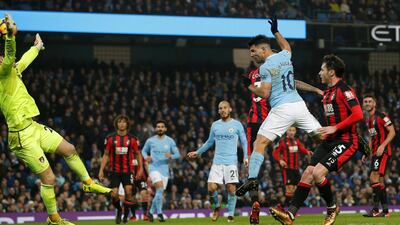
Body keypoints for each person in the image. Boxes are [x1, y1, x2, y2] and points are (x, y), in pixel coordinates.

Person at [0, 14, 111, 225]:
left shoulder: (13, 71)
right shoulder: (3, 75)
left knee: (69, 149)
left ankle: (88, 183)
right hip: (22, 137)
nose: (5, 59)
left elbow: (23, 59)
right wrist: (9, 35)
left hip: (33, 127)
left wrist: (37, 47)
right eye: (2, 59)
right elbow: (12, 54)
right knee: (49, 179)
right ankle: (54, 219)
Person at [270, 54, 364, 225]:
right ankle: (290, 216)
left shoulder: (345, 90)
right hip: (329, 141)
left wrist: (335, 128)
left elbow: (358, 114)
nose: (319, 72)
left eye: (322, 69)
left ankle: (332, 207)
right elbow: (296, 84)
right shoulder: (328, 92)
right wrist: (290, 82)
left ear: (332, 72)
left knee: (317, 173)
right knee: (307, 173)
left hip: (346, 141)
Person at [236, 16, 321, 198]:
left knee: (260, 142)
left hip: (282, 109)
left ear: (263, 49)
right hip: (299, 106)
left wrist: (249, 86)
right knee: (322, 136)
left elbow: (265, 93)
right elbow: (286, 46)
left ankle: (252, 178)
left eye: (253, 51)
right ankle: (351, 141)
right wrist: (276, 31)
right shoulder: (285, 56)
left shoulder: (265, 68)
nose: (252, 55)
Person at [242, 64, 321, 224]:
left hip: (254, 121)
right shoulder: (275, 72)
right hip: (275, 117)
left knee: (252, 167)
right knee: (317, 135)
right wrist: (316, 90)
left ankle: (254, 203)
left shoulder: (252, 74)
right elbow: (295, 83)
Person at [187, 100, 248, 223]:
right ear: (218, 110)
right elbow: (209, 142)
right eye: (220, 108)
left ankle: (230, 214)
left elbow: (244, 141)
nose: (223, 110)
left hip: (231, 161)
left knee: (231, 188)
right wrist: (198, 152)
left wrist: (246, 156)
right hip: (217, 161)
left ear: (230, 109)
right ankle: (216, 207)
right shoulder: (215, 125)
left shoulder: (237, 124)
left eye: (225, 107)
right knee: (211, 188)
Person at [99, 115, 143, 224]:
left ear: (127, 124)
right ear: (116, 124)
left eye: (124, 122)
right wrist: (101, 170)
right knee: (114, 194)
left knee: (128, 193)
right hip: (114, 171)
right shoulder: (110, 139)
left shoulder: (132, 139)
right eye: (119, 122)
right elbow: (105, 155)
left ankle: (126, 214)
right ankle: (119, 210)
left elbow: (138, 154)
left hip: (128, 171)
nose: (122, 124)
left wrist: (140, 169)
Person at [362, 94, 395, 218]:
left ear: (374, 104)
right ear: (363, 105)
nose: (367, 103)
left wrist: (383, 145)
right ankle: (385, 212)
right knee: (379, 181)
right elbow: (372, 138)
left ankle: (375, 210)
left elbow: (392, 132)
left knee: (373, 177)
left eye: (370, 101)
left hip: (383, 152)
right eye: (365, 102)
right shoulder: (368, 120)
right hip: (375, 153)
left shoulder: (382, 116)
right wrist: (367, 152)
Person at [142, 120, 180, 222]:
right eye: (158, 127)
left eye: (162, 127)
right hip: (153, 168)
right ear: (155, 129)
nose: (160, 128)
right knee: (159, 188)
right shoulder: (150, 141)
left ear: (165, 129)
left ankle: (155, 213)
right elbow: (143, 151)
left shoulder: (170, 141)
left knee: (160, 192)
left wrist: (171, 155)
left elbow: (178, 154)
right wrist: (146, 157)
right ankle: (155, 213)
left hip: (165, 170)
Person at [272, 127, 312, 206]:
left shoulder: (296, 141)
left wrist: (308, 152)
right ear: (286, 131)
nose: (291, 132)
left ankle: (287, 209)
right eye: (290, 130)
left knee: (295, 190)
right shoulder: (282, 142)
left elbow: (302, 149)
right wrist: (280, 160)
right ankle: (286, 208)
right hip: (287, 169)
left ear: (295, 132)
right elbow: (275, 153)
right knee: (289, 189)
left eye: (293, 130)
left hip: (296, 169)